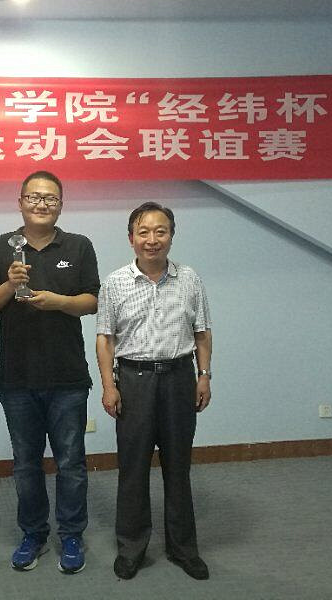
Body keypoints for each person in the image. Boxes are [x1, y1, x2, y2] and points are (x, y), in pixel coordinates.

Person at [0, 171, 99, 575]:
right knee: (26, 464)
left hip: (68, 376)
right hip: (17, 377)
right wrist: (9, 285)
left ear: (60, 205)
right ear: (20, 202)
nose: (42, 204)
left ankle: (72, 535)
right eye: (34, 197)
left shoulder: (79, 246)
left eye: (50, 198)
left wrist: (59, 302)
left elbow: (92, 301)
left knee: (71, 463)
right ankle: (33, 533)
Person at [96, 202, 213, 581]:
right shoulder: (115, 282)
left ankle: (184, 548)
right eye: (143, 232)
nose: (152, 239)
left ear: (171, 236)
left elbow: (202, 332)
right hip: (134, 381)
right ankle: (131, 548)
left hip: (179, 378)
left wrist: (204, 375)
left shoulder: (190, 279)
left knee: (179, 467)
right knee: (133, 469)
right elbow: (105, 339)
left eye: (160, 231)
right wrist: (109, 386)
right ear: (131, 238)